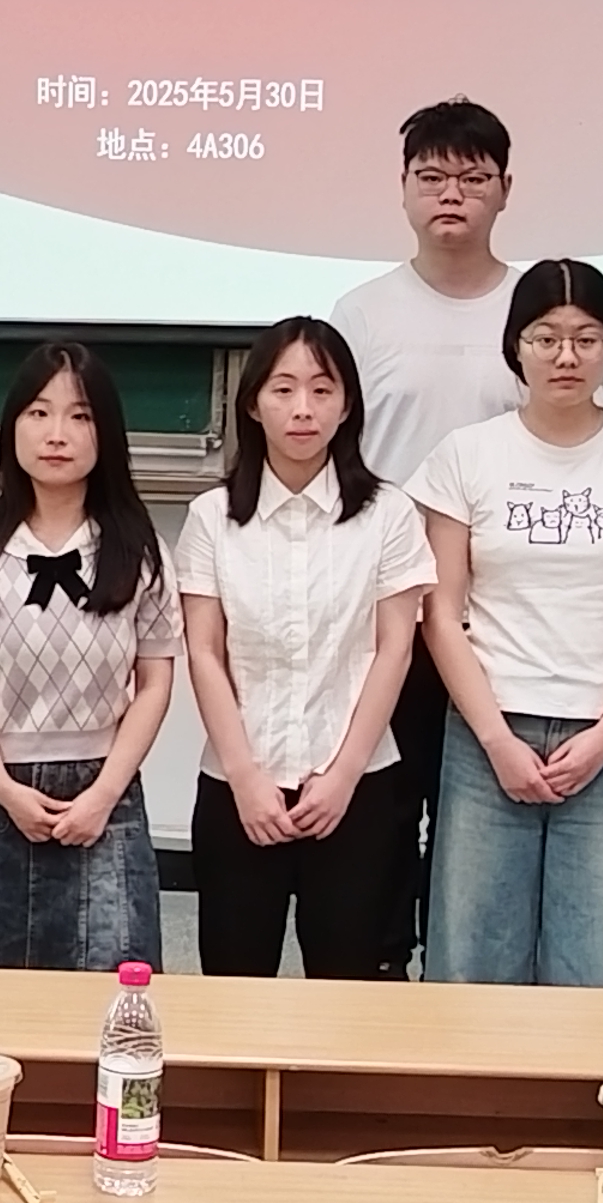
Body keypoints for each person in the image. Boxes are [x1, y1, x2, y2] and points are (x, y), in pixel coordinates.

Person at [407, 261, 603, 988]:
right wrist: (495, 739)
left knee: (599, 969)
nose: (566, 356)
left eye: (586, 338)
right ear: (516, 347)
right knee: (471, 964)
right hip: (488, 735)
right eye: (546, 338)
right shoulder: (467, 454)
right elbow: (441, 612)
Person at [174, 316, 435, 980]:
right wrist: (246, 777)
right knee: (233, 986)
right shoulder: (212, 517)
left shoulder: (388, 514)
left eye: (322, 390)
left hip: (359, 789)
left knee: (348, 991)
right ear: (252, 404)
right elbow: (204, 652)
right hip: (238, 787)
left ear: (347, 406)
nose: (302, 409)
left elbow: (395, 650)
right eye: (283, 389)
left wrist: (343, 774)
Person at [328, 97, 524, 973]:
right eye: (433, 176)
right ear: (404, 188)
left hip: (508, 607)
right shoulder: (364, 312)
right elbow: (332, 452)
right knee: (386, 797)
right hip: (391, 605)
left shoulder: (536, 308)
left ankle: (466, 970)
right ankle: (380, 965)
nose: (452, 193)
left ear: (505, 189)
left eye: (473, 178)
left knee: (480, 806)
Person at [0, 344, 181, 972]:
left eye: (80, 416)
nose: (57, 434)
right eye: (39, 413)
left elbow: (154, 682)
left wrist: (104, 794)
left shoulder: (138, 548)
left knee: (115, 975)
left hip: (105, 789)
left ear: (107, 433)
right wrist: (3, 788)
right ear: (13, 426)